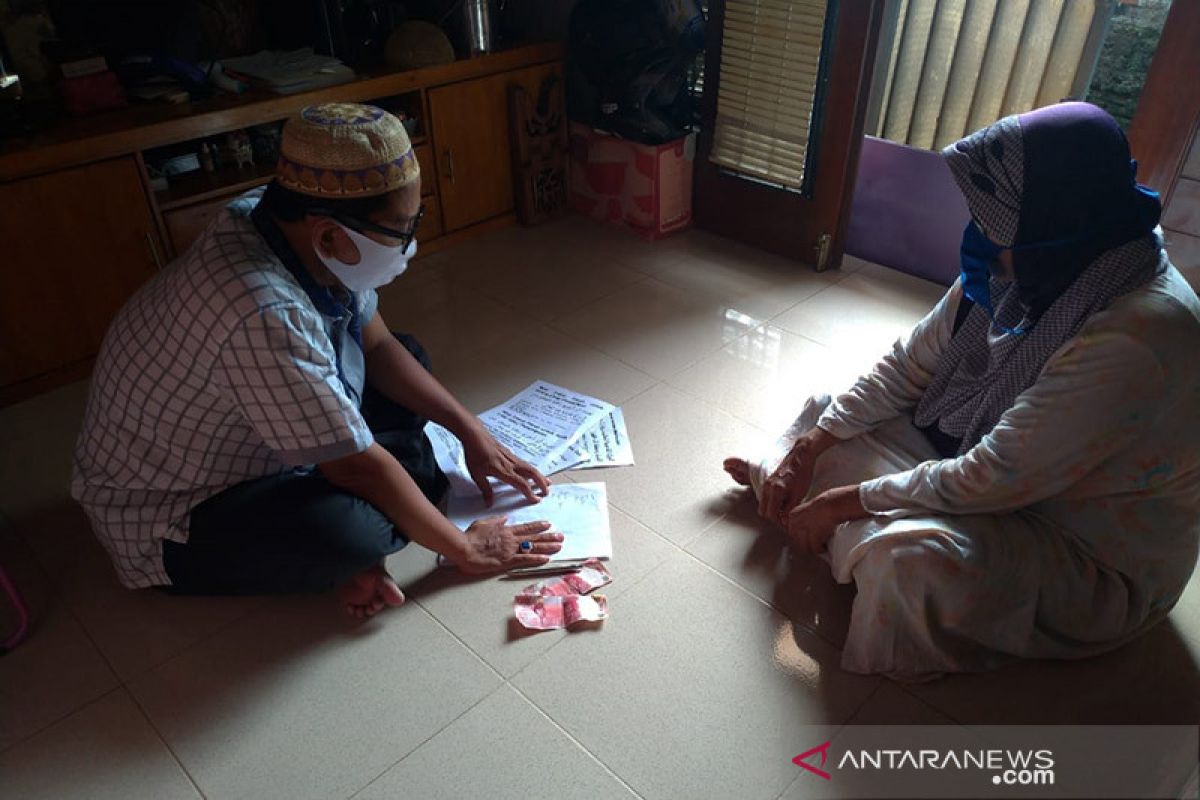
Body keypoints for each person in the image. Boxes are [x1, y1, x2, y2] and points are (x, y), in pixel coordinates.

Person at [723, 102, 1200, 681]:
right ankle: (816, 511)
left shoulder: (1140, 334)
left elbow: (991, 477)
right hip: (996, 464)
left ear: (1053, 219)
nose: (979, 236)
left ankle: (822, 523)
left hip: (1076, 543)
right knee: (828, 415)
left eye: (996, 220)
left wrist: (838, 501)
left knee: (909, 563)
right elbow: (908, 366)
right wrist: (810, 449)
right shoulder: (1039, 258)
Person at [72, 103, 563, 618]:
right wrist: (464, 549)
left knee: (407, 354)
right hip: (176, 509)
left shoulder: (278, 219)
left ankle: (382, 503)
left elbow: (376, 345)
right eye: (399, 231)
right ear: (329, 234)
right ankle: (353, 547)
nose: (409, 244)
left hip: (262, 436)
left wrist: (472, 433)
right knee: (354, 534)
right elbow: (353, 467)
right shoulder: (260, 309)